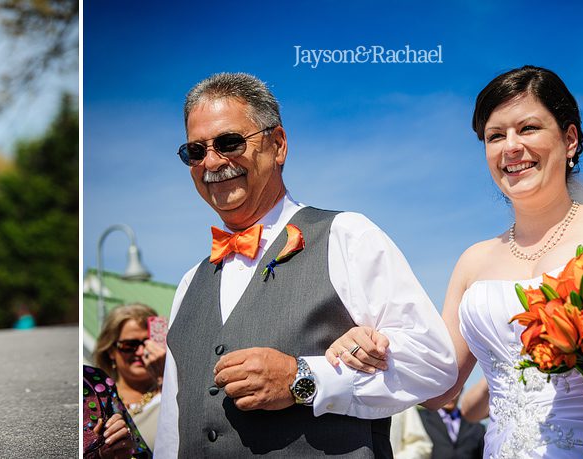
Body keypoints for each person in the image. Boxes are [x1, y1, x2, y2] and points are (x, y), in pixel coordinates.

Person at [329, 65, 583, 458]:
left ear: (570, 139)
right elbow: (440, 387)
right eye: (495, 136)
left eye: (528, 128)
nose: (510, 147)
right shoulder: (472, 261)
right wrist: (372, 346)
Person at [155, 72, 458, 458]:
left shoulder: (346, 236)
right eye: (195, 151)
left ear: (277, 144)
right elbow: (171, 431)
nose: (212, 162)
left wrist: (305, 378)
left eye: (229, 142)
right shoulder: (189, 284)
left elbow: (433, 362)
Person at [91, 304, 166, 452]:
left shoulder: (171, 394)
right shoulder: (98, 400)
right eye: (129, 345)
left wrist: (165, 379)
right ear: (111, 350)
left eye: (147, 343)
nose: (140, 351)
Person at [417, 391, 485, 459]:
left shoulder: (477, 427)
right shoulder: (419, 419)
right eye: (446, 389)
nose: (450, 396)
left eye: (454, 390)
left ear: (461, 390)